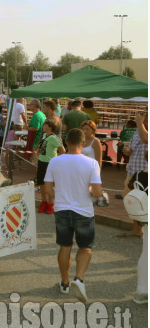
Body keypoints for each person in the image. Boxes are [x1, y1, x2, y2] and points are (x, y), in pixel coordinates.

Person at [43, 128, 103, 303]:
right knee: (85, 248)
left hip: (62, 209)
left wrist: (60, 196)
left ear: (66, 142)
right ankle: (79, 278)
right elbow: (97, 192)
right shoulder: (91, 163)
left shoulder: (55, 161)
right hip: (84, 211)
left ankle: (64, 283)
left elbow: (47, 190)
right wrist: (94, 192)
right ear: (83, 144)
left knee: (65, 246)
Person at [122, 167, 148, 304]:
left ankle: (142, 291)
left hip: (145, 219)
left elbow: (126, 193)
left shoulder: (139, 175)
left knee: (146, 254)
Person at [120, 113, 148, 238]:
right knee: (132, 200)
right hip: (133, 171)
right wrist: (128, 151)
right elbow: (134, 146)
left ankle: (141, 229)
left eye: (145, 115)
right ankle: (137, 229)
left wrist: (140, 124)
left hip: (145, 172)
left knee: (141, 201)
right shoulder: (138, 130)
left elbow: (146, 139)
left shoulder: (141, 128)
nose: (143, 117)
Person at [36, 120, 65, 213]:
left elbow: (62, 150)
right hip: (41, 161)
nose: (43, 127)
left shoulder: (54, 138)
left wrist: (56, 160)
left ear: (50, 128)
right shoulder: (45, 136)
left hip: (49, 163)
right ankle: (43, 201)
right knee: (41, 183)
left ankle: (51, 203)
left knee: (49, 184)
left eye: (45, 125)